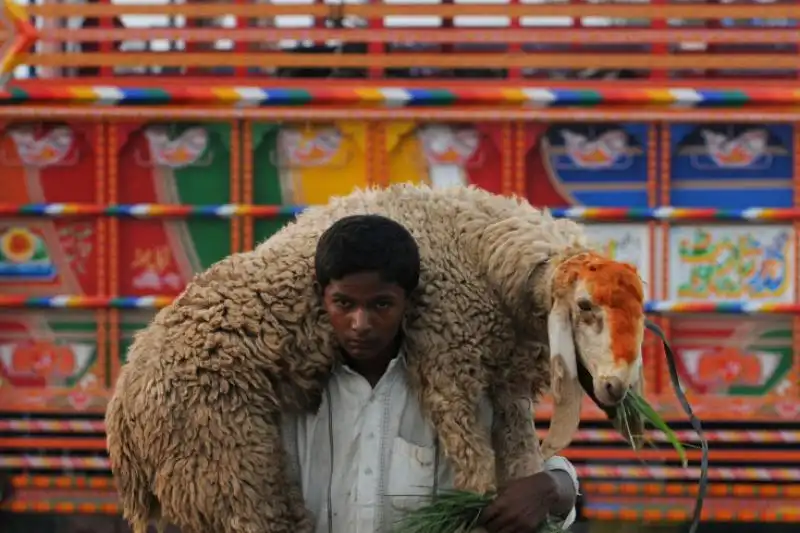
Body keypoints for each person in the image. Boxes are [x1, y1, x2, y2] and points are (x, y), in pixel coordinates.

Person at [281, 214, 580, 533]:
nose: (361, 324)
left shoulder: (461, 389)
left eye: (381, 305)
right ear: (321, 297)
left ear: (408, 302)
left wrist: (550, 488)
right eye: (343, 303)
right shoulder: (291, 393)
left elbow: (536, 474)